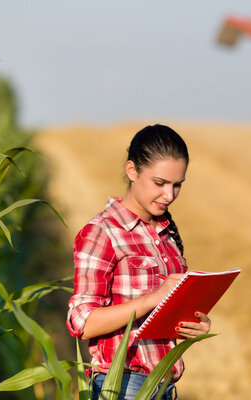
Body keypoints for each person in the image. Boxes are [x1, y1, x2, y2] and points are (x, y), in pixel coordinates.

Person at [66, 124, 211, 400]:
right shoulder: (102, 232)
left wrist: (193, 324)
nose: (169, 195)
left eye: (177, 184)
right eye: (160, 183)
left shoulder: (168, 233)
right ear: (132, 171)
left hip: (165, 386)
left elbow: (163, 316)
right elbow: (82, 322)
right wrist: (153, 298)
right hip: (121, 386)